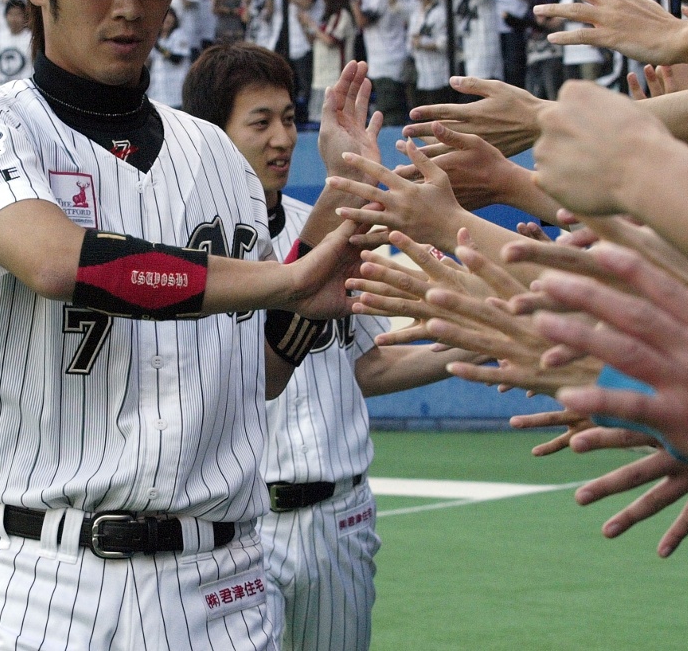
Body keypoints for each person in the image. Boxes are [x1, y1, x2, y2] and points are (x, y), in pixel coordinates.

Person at [0, 0, 373, 649]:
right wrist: (289, 275)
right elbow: (56, 261)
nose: (130, 5)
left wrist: (329, 235)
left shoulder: (216, 158)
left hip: (220, 583)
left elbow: (246, 373)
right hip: (41, 578)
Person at [184, 42, 479, 651]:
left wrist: (476, 347)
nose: (283, 138)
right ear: (213, 137)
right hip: (236, 525)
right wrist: (347, 187)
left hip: (338, 516)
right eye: (260, 122)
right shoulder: (189, 248)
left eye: (290, 119)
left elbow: (367, 364)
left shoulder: (324, 227)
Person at [0, 0, 32, 87]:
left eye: (18, 14)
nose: (14, 19)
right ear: (5, 16)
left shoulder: (31, 39)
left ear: (25, 16)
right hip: (2, 89)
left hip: (24, 89)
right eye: (11, 14)